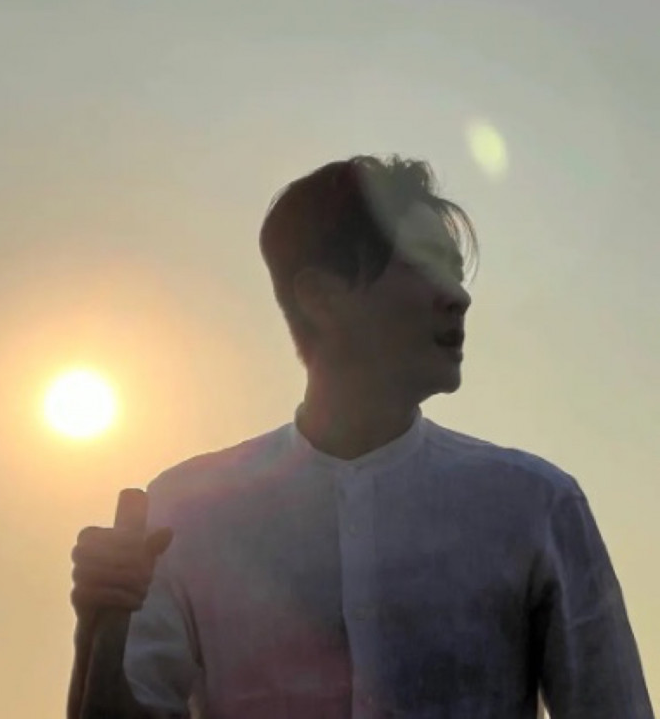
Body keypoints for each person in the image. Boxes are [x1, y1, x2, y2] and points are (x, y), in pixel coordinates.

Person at [68, 155, 655, 719]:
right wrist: (102, 621)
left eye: (456, 272)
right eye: (425, 265)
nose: (459, 296)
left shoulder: (535, 506)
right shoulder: (186, 514)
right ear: (320, 297)